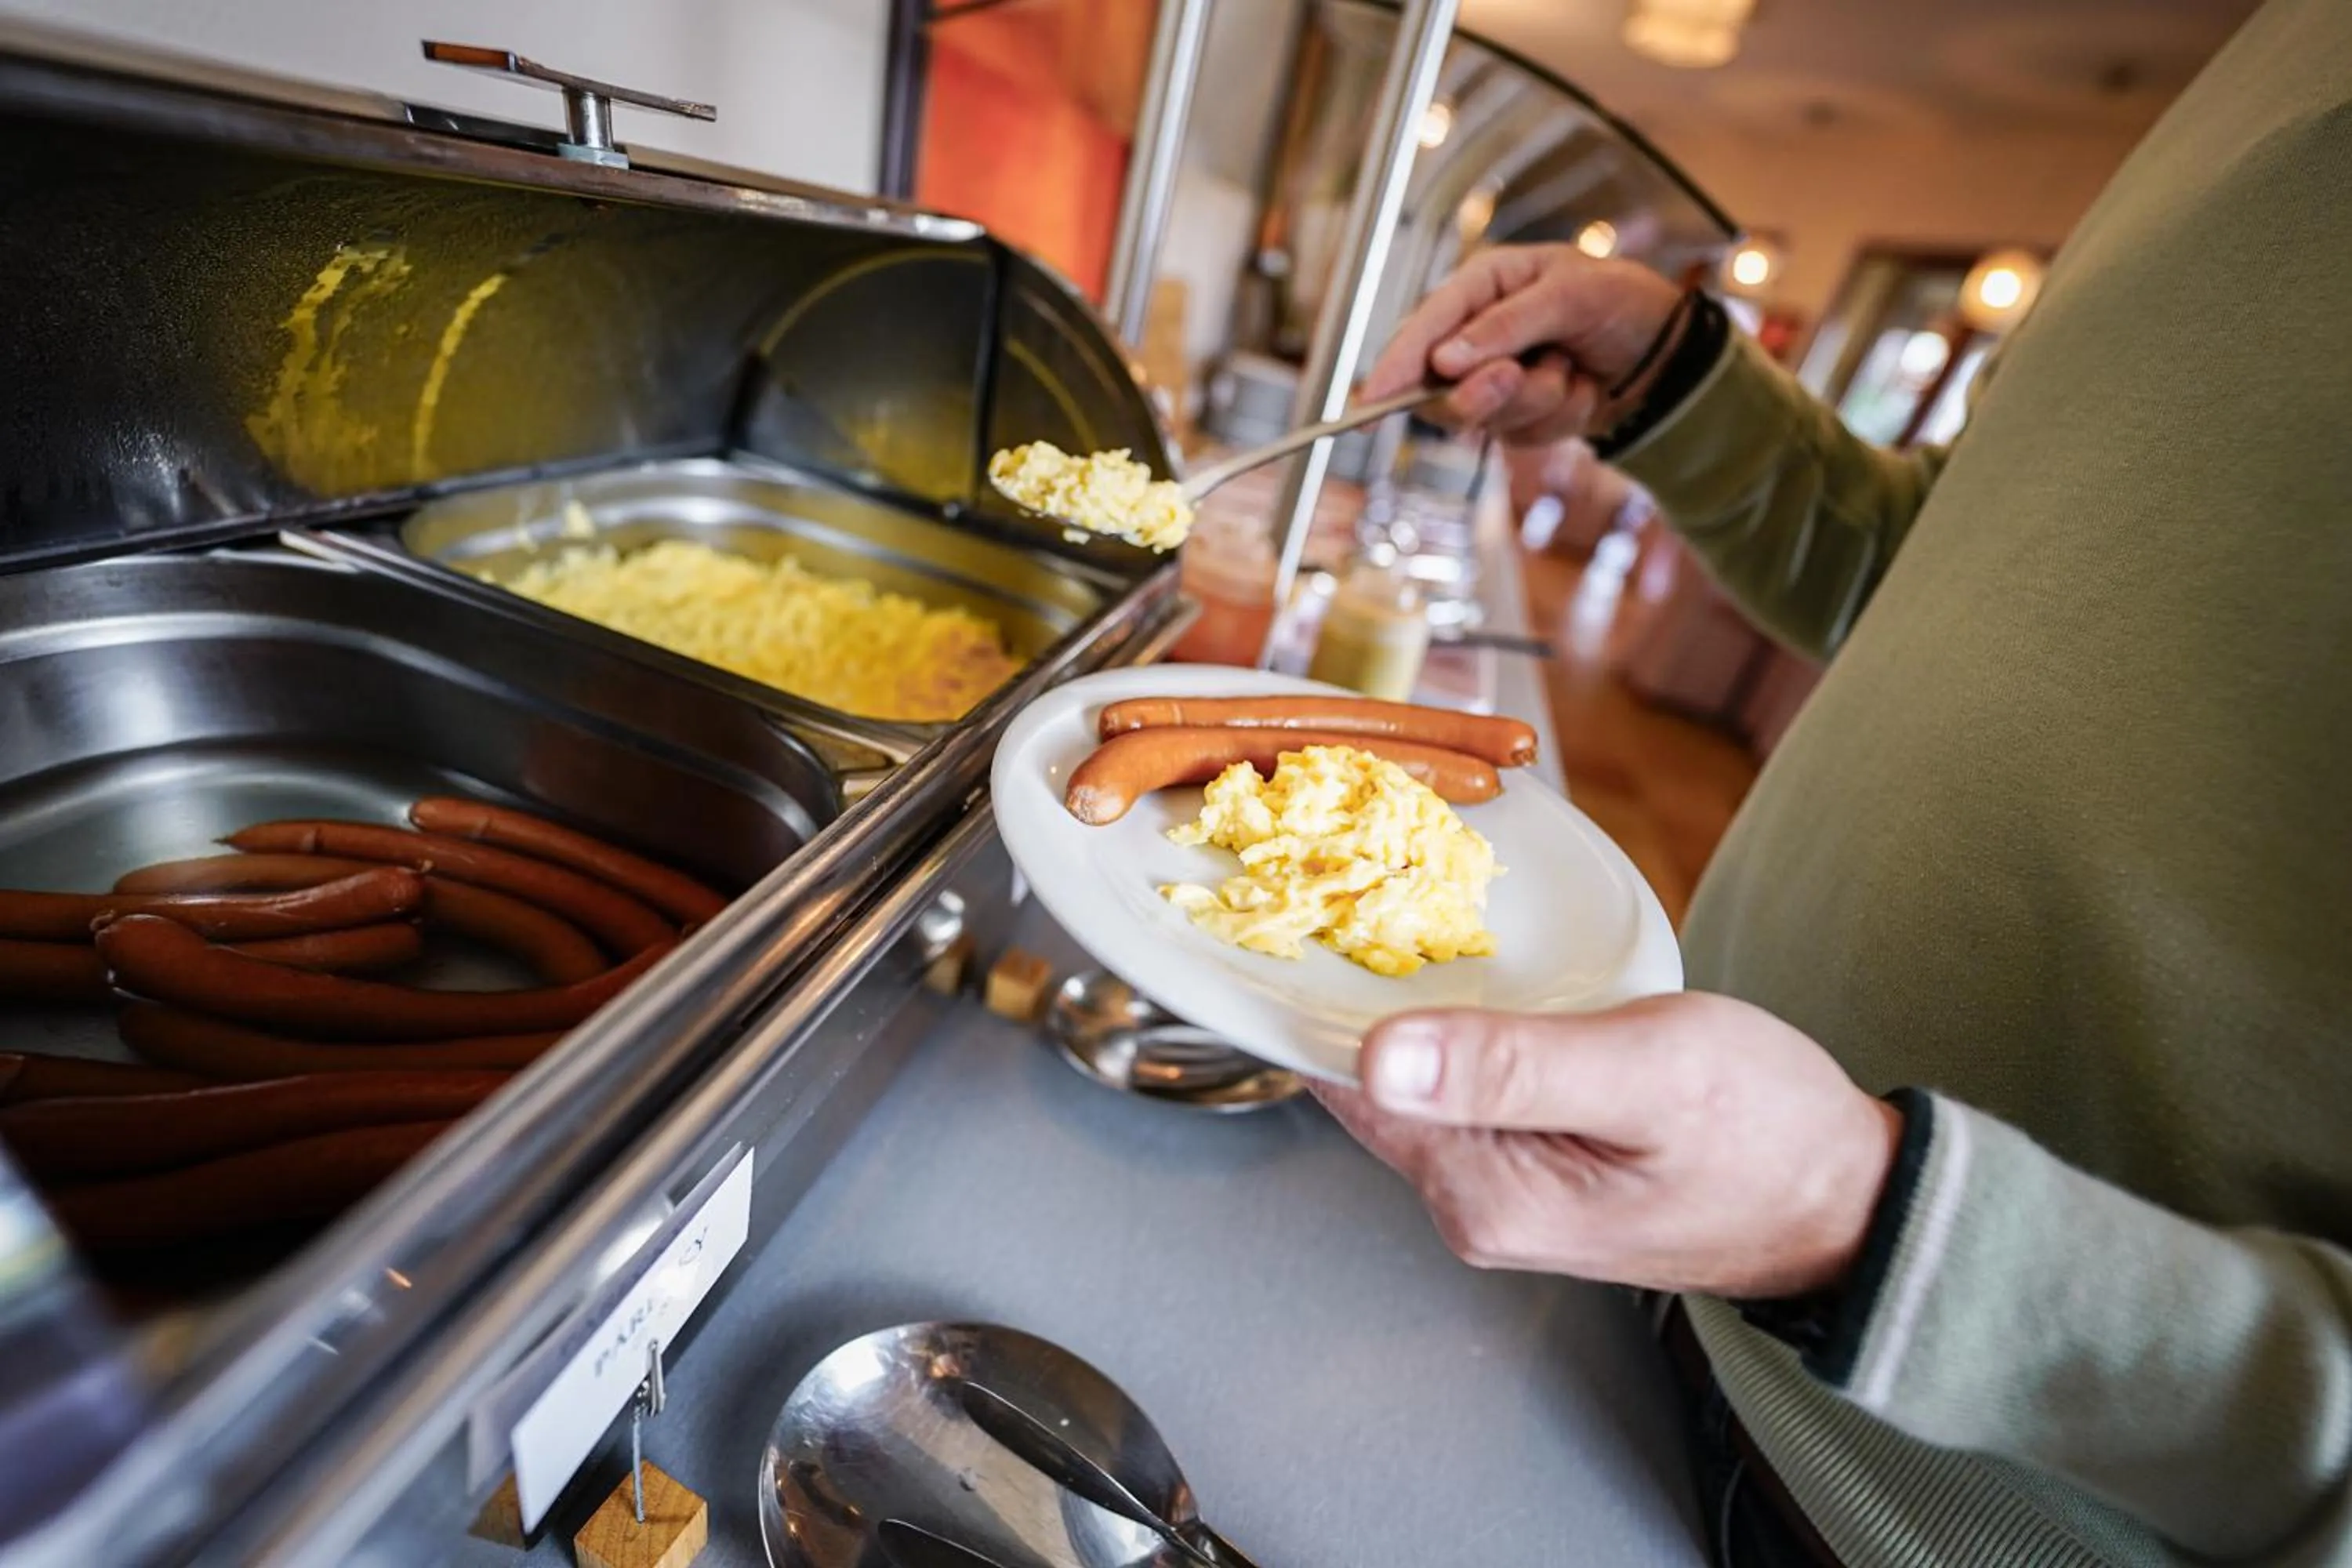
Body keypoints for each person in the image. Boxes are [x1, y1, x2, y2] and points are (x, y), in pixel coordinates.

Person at [1319, 0, 2352, 1563]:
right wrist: (1671, 375)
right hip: (1629, 1258)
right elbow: (1954, 576)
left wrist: (1881, 1237)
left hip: (1918, 1517)